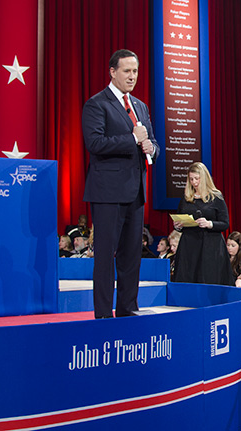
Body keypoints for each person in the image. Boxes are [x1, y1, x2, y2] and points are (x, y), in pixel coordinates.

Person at [81, 49, 159, 318]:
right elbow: (95, 143)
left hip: (136, 192)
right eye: (126, 71)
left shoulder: (140, 106)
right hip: (107, 193)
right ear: (112, 72)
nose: (132, 76)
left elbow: (151, 142)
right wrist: (133, 139)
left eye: (135, 71)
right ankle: (103, 314)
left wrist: (151, 147)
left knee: (131, 257)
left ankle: (128, 309)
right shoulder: (97, 104)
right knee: (105, 258)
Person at [172, 162, 233, 285]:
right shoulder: (186, 198)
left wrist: (209, 224)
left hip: (210, 245)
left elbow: (225, 223)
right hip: (189, 244)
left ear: (204, 178)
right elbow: (179, 218)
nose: (194, 182)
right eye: (191, 179)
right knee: (188, 277)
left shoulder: (216, 197)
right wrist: (177, 226)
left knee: (207, 278)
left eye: (197, 179)